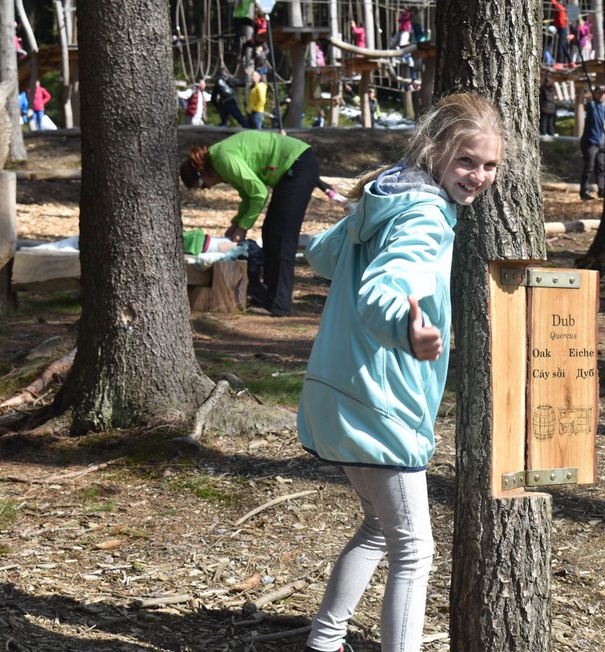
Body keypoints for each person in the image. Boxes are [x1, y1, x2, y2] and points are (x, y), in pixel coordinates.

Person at [297, 92, 505, 652]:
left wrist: (355, 224)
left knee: (377, 527)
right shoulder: (425, 214)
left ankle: (324, 640)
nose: (478, 176)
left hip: (338, 394)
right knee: (415, 549)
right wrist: (406, 328)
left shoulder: (385, 196)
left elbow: (320, 254)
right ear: (437, 151)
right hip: (381, 404)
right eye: (467, 161)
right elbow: (383, 292)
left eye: (489, 165)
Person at [179, 131, 330, 316]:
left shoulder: (222, 159)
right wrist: (237, 223)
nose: (208, 188)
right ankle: (270, 297)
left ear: (202, 172)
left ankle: (280, 306)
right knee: (270, 232)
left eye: (202, 185)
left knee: (281, 237)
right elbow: (247, 194)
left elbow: (259, 193)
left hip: (298, 165)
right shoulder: (220, 162)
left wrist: (243, 227)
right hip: (292, 169)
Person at [579, 84, 605, 201]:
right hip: (589, 142)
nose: (601, 95)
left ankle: (602, 190)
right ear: (595, 93)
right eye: (599, 93)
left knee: (601, 167)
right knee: (589, 167)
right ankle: (584, 191)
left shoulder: (603, 108)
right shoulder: (592, 105)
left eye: (603, 93)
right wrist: (589, 96)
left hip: (600, 142)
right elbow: (587, 102)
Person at [540, 70, 557, 137]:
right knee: (550, 122)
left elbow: (541, 98)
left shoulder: (543, 88)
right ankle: (551, 133)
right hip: (552, 107)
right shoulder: (552, 88)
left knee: (544, 121)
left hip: (545, 107)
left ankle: (543, 133)